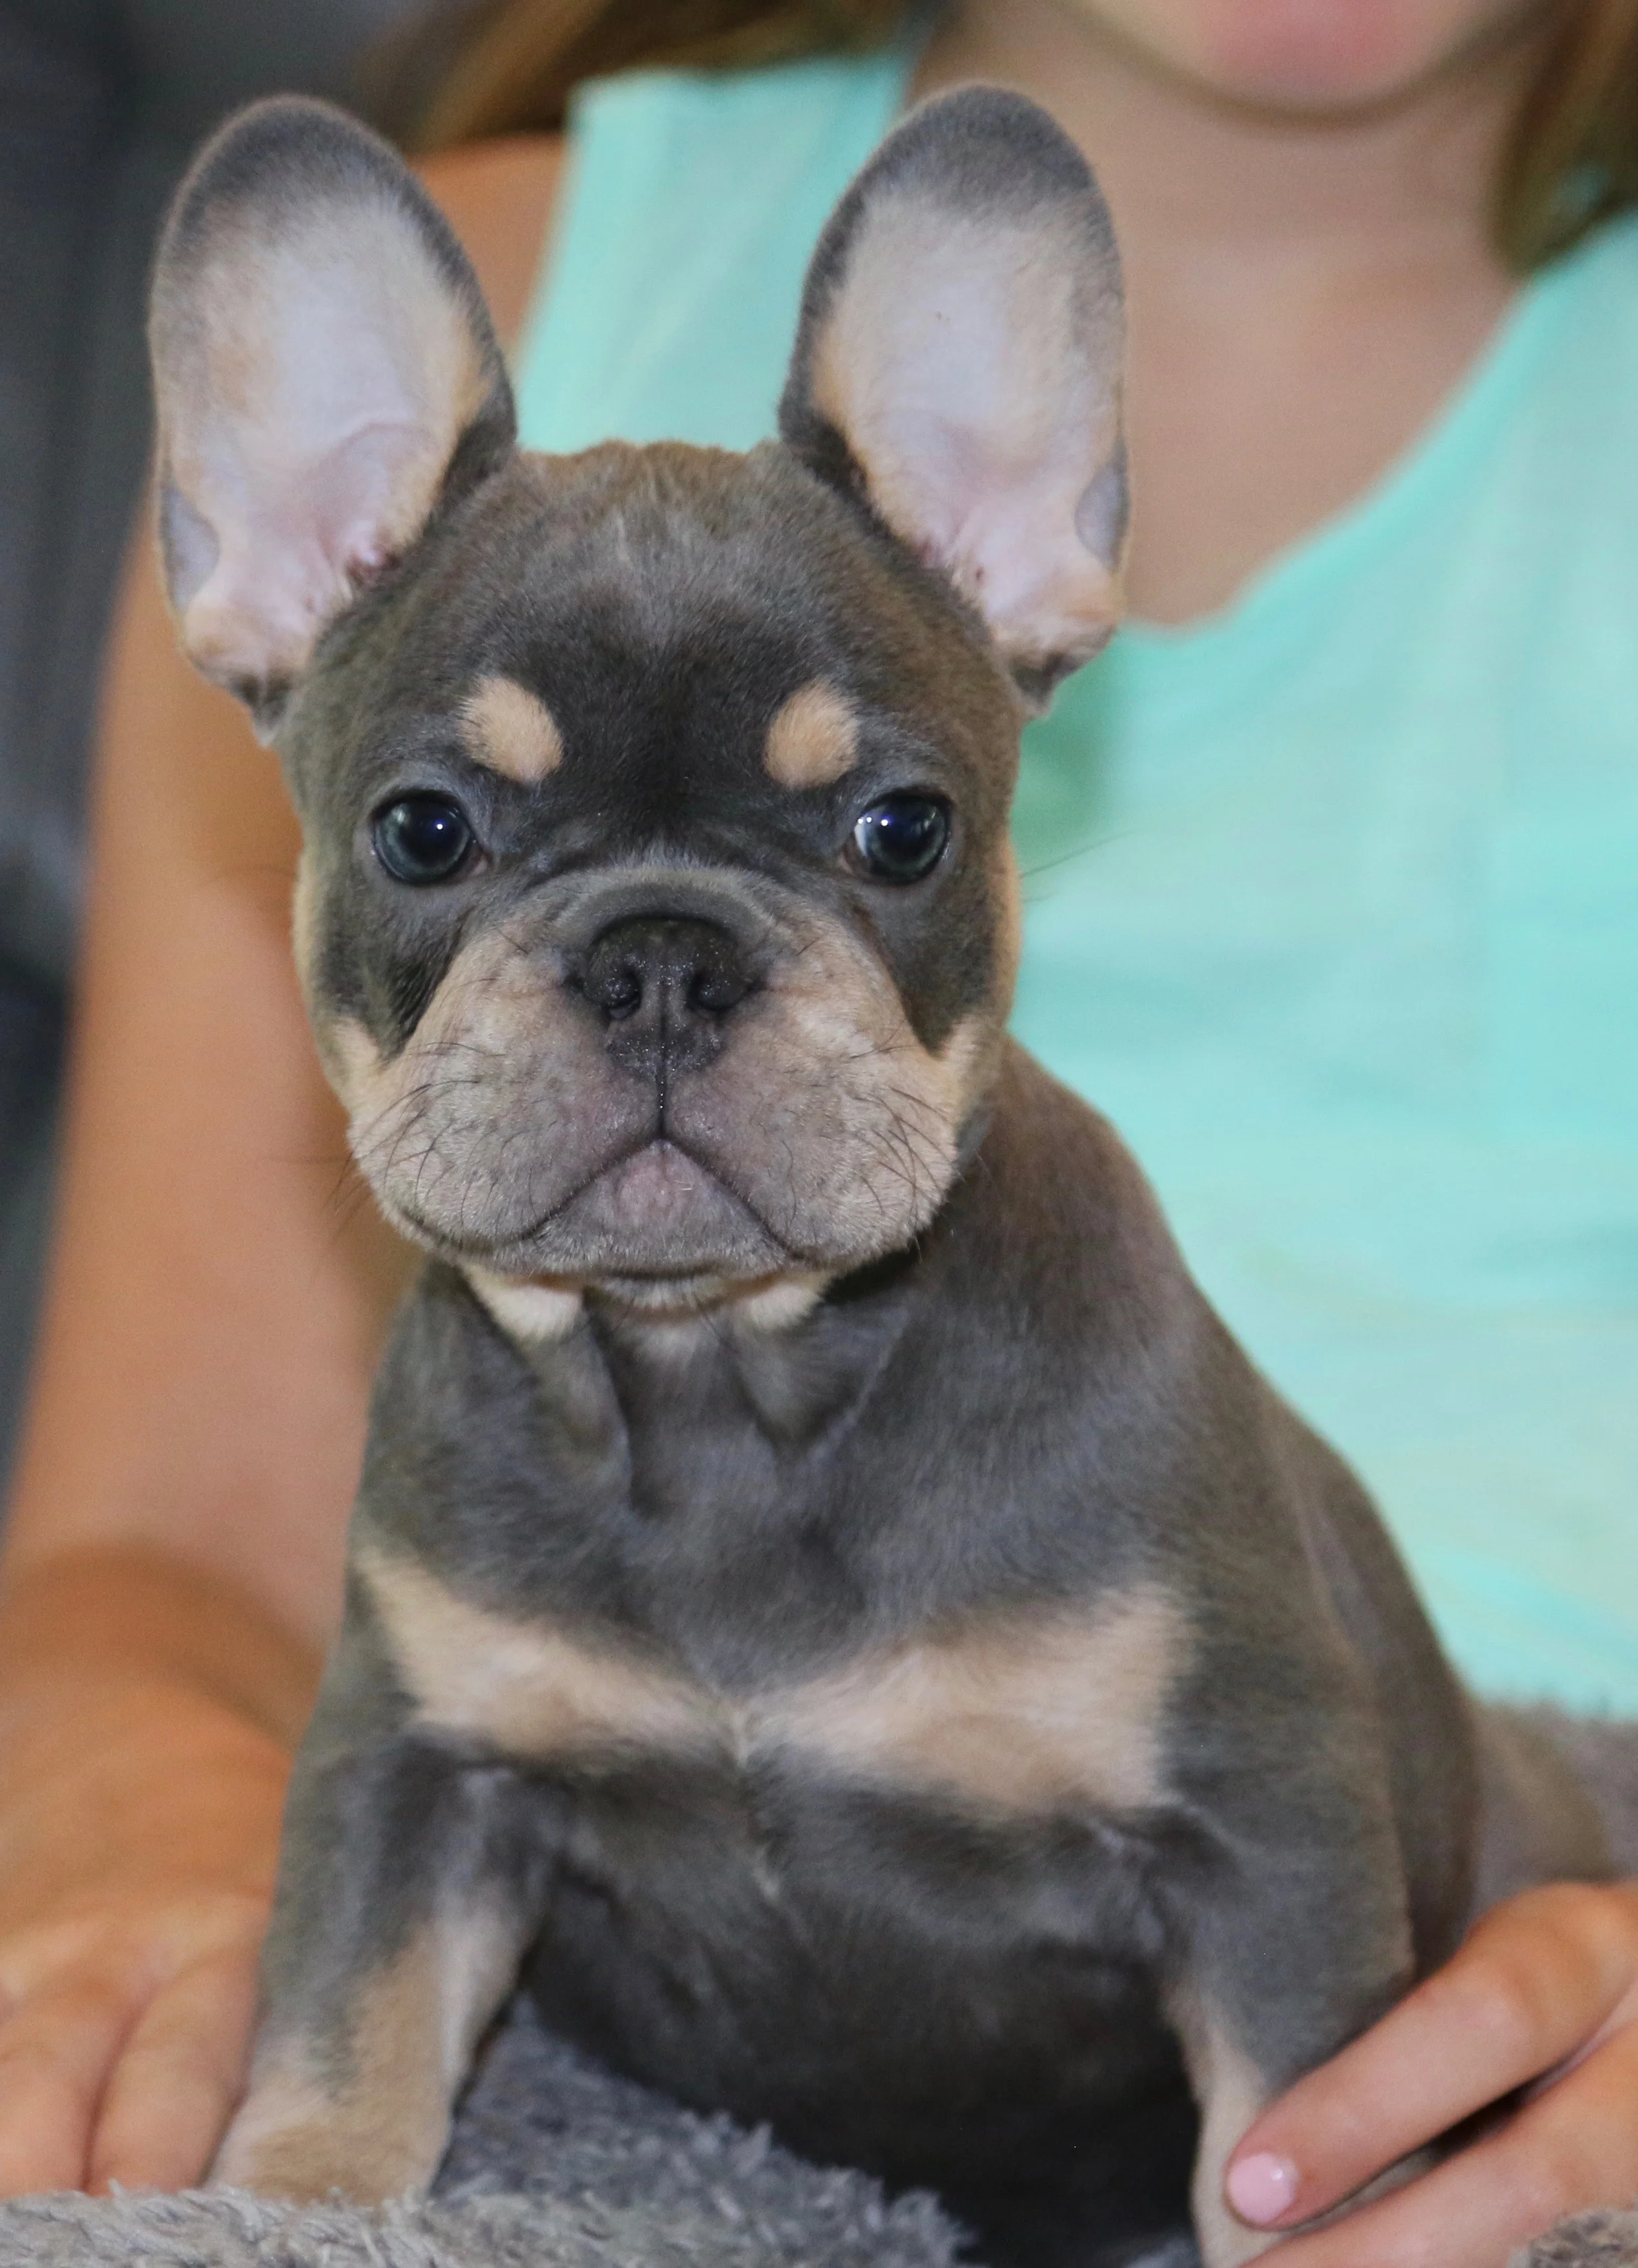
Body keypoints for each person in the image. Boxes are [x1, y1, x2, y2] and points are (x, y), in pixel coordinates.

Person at [0, 0, 1635, 2259]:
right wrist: (164, 1825)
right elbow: (192, 1574)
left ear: (1029, 543)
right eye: (439, 831)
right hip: (626, 2055)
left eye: (881, 832)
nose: (663, 997)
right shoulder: (521, 266)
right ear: (275, 565)